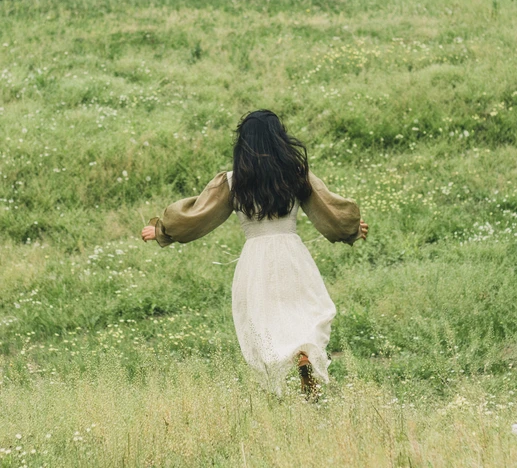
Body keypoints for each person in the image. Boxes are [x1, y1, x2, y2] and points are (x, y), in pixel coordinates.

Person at [141, 109, 368, 398]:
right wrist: (351, 229)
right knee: (306, 311)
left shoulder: (234, 181)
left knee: (264, 319)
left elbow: (197, 216)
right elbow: (329, 210)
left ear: (243, 144)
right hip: (292, 255)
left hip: (256, 260)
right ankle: (304, 355)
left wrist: (162, 231)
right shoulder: (297, 174)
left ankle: (288, 363)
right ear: (279, 139)